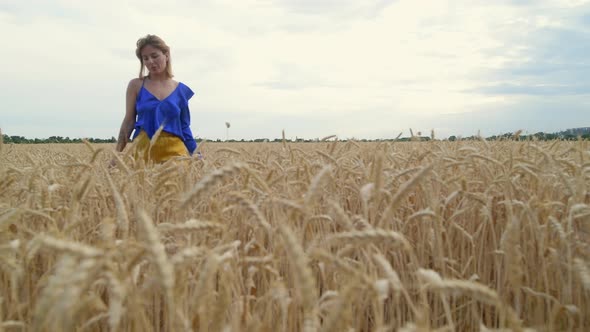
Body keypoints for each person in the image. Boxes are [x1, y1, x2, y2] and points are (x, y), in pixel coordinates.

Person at [114, 34, 197, 164]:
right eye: (145, 58)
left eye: (154, 56)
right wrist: (116, 155)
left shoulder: (181, 90)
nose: (150, 62)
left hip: (176, 155)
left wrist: (197, 154)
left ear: (166, 55)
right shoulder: (136, 85)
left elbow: (185, 127)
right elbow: (129, 121)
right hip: (143, 153)